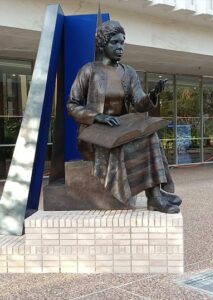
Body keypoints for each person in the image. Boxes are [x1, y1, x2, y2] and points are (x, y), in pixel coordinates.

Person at [67, 20, 181, 213]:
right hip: (96, 135)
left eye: (122, 43)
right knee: (133, 144)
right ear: (103, 44)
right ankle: (155, 195)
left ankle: (154, 196)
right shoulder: (89, 70)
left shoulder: (128, 72)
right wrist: (97, 117)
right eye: (115, 43)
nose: (120, 47)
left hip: (121, 130)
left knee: (150, 137)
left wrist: (152, 95)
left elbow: (139, 103)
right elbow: (72, 105)